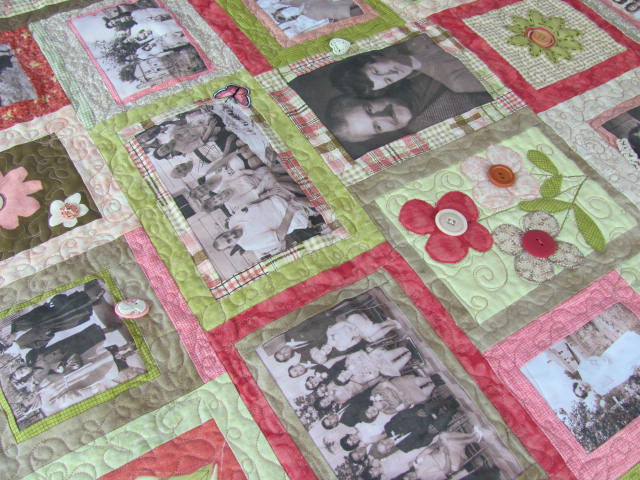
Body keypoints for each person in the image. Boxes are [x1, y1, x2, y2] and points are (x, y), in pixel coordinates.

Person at [323, 74, 492, 157]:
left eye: (370, 109)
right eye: (377, 127)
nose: (385, 116)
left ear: (370, 96)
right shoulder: (428, 133)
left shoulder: (412, 73)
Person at [330, 34, 487, 97]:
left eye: (376, 71)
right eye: (387, 81)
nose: (392, 74)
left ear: (373, 57)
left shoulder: (406, 37)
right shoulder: (456, 82)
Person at [212, 194, 316, 257]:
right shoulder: (248, 244)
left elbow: (250, 205)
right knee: (300, 200)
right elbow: (279, 235)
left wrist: (268, 194)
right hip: (291, 214)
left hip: (277, 198)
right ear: (232, 245)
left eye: (225, 236)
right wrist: (290, 212)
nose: (231, 236)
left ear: (223, 232)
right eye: (229, 241)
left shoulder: (232, 221)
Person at [575, 330, 640, 396]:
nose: (583, 388)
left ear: (578, 383)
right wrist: (628, 373)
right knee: (636, 355)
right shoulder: (600, 389)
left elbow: (591, 359)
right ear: (587, 392)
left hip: (610, 357)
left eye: (580, 388)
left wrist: (602, 361)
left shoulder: (582, 370)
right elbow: (616, 382)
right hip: (620, 368)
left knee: (631, 342)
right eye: (584, 391)